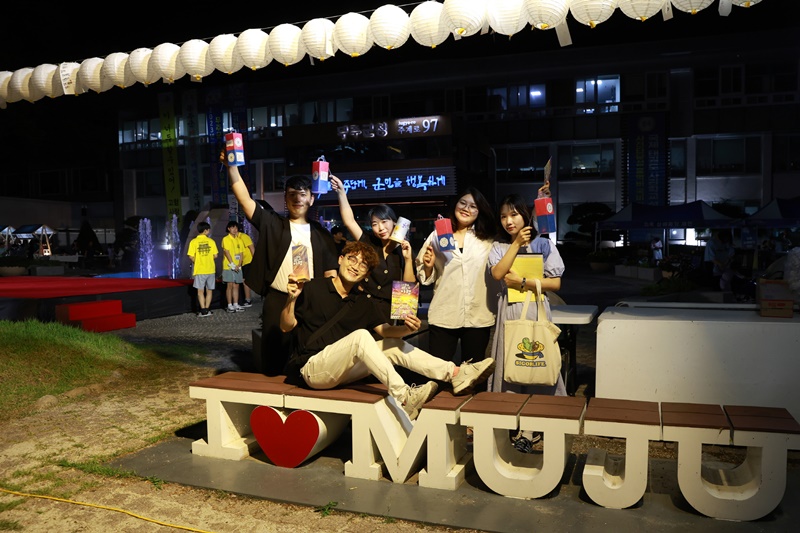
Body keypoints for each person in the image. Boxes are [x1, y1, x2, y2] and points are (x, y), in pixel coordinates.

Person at [281, 240, 496, 421]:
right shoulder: (313, 287)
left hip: (341, 372)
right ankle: (404, 397)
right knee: (361, 337)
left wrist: (406, 329)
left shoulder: (362, 301)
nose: (356, 266)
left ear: (366, 274)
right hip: (311, 369)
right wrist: (291, 299)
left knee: (392, 346)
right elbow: (285, 326)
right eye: (352, 259)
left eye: (363, 265)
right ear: (340, 259)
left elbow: (385, 332)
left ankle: (455, 373)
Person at [223, 154, 339, 376]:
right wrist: (232, 168)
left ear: (312, 199)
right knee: (274, 357)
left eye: (303, 194)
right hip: (278, 298)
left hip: (311, 300)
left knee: (310, 355)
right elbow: (245, 200)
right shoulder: (273, 224)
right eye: (292, 194)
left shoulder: (322, 234)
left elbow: (330, 271)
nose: (297, 199)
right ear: (285, 199)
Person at [487, 192, 565, 453]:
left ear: (526, 215)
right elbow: (498, 273)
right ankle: (509, 422)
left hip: (536, 311)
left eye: (514, 214)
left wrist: (523, 282)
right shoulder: (499, 247)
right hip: (509, 312)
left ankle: (531, 430)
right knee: (511, 366)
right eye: (503, 217)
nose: (509, 221)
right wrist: (516, 244)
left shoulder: (543, 244)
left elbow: (556, 283)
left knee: (538, 366)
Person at [415, 187, 498, 375]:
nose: (466, 209)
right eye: (463, 203)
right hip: (445, 313)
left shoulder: (487, 239)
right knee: (438, 374)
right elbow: (425, 277)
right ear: (455, 204)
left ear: (480, 211)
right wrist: (428, 266)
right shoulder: (438, 235)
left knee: (472, 375)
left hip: (478, 315)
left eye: (473, 206)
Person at [330, 175, 416, 323]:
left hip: (386, 314)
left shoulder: (404, 250)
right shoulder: (369, 242)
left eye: (384, 221)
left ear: (394, 222)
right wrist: (341, 192)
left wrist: (408, 260)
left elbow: (407, 290)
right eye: (375, 224)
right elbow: (349, 221)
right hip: (361, 307)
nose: (380, 228)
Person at [186, 221, 218, 318]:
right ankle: (207, 309)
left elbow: (190, 256)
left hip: (200, 270)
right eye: (208, 230)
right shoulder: (211, 241)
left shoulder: (193, 242)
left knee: (200, 291)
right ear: (206, 230)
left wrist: (198, 261)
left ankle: (203, 310)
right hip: (210, 269)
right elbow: (215, 255)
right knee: (209, 290)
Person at [221, 221, 246, 313]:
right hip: (229, 266)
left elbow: (241, 253)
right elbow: (226, 252)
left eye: (236, 228)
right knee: (230, 285)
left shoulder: (239, 240)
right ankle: (229, 305)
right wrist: (232, 264)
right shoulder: (226, 239)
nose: (235, 230)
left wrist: (239, 264)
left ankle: (236, 303)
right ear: (229, 229)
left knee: (236, 285)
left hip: (238, 266)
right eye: (232, 228)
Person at [238, 223, 255, 308]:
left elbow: (252, 248)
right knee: (244, 281)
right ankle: (246, 299)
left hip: (248, 261)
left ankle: (248, 300)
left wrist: (255, 261)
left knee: (245, 281)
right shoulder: (235, 238)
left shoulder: (243, 236)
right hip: (242, 262)